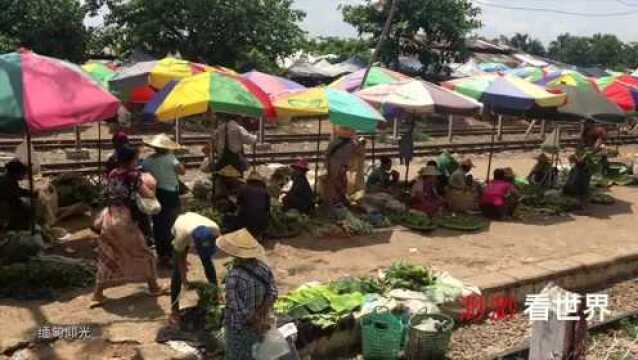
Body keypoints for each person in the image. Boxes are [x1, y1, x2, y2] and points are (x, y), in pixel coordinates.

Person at [91, 144, 166, 308]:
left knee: (109, 255)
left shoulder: (113, 173)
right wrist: (150, 183)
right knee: (145, 253)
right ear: (132, 160)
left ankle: (97, 294)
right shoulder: (133, 176)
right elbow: (148, 194)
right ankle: (154, 287)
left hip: (109, 217)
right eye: (136, 158)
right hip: (125, 220)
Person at [216, 229, 277, 360]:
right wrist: (261, 315)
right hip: (260, 322)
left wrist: (253, 321)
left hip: (239, 327)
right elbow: (272, 293)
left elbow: (237, 308)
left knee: (238, 355)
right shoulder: (263, 268)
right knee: (258, 355)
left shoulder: (234, 275)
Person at [169, 212, 221, 325]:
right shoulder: (182, 236)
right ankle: (174, 310)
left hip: (196, 221)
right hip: (181, 223)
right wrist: (184, 280)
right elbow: (180, 260)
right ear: (194, 243)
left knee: (207, 261)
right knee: (176, 273)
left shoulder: (215, 229)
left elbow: (217, 244)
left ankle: (216, 296)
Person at [142, 134, 186, 266]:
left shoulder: (147, 161)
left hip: (155, 194)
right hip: (170, 195)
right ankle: (171, 253)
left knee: (158, 223)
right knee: (172, 223)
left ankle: (162, 254)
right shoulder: (170, 158)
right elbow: (182, 171)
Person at [322, 127, 365, 207]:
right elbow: (359, 152)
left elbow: (327, 154)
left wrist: (326, 166)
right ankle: (337, 201)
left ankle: (335, 201)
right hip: (339, 167)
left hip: (335, 167)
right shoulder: (352, 143)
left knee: (337, 184)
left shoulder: (334, 142)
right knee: (339, 184)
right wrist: (359, 142)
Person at [225, 171, 271, 238]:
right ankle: (259, 234)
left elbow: (238, 203)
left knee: (234, 217)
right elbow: (267, 208)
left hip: (246, 221)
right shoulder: (264, 191)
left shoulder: (243, 189)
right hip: (262, 222)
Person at [0, 159, 31, 230]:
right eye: (23, 173)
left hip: (8, 202)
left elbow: (17, 191)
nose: (24, 175)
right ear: (16, 173)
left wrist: (29, 193)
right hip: (5, 206)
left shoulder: (9, 179)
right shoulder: (7, 182)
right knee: (27, 208)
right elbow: (15, 196)